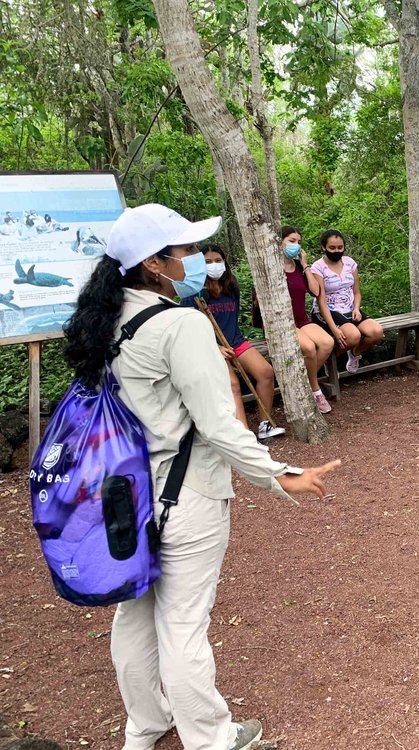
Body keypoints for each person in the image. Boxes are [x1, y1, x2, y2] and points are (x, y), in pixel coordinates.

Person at [61, 203, 341, 750]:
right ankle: (211, 737)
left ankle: (144, 724)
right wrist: (280, 473)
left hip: (127, 498)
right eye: (185, 251)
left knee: (135, 617)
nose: (194, 260)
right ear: (154, 263)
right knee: (183, 625)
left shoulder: (104, 322)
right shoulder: (179, 324)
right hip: (185, 496)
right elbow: (218, 425)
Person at [182, 244, 284, 440]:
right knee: (233, 384)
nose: (214, 265)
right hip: (209, 346)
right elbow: (188, 328)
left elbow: (233, 317)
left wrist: (232, 344)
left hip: (235, 340)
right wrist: (215, 347)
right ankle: (244, 434)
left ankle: (265, 425)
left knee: (266, 372)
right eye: (208, 262)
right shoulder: (193, 292)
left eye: (218, 261)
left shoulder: (231, 286)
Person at [309, 229, 385, 373]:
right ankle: (330, 361)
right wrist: (333, 329)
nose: (336, 251)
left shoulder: (350, 263)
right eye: (332, 248)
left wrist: (356, 308)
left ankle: (355, 354)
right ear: (323, 247)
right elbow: (321, 301)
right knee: (353, 336)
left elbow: (356, 292)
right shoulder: (318, 268)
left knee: (376, 331)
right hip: (327, 310)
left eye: (340, 247)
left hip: (349, 308)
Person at [277, 226, 335, 413]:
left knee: (327, 342)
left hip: (302, 319)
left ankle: (304, 384)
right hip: (283, 323)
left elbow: (316, 291)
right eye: (291, 241)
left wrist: (304, 264)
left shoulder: (299, 268)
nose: (296, 245)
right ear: (280, 242)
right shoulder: (272, 270)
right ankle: (315, 391)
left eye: (299, 242)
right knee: (309, 348)